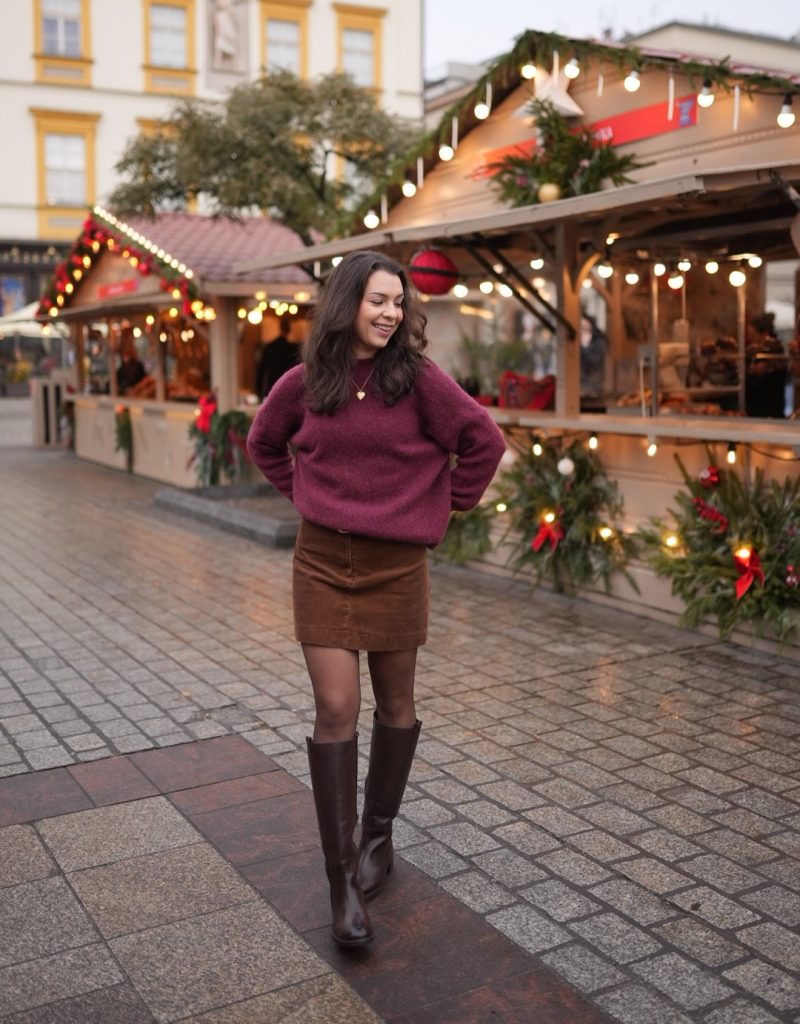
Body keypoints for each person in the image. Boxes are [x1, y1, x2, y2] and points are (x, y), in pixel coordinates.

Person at [246, 251, 505, 948]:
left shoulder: (417, 381)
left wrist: (438, 507)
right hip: (323, 563)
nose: (391, 313)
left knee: (397, 706)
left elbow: (483, 440)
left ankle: (377, 839)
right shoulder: (306, 383)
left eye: (399, 302)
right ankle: (340, 884)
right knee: (335, 707)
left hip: (397, 568)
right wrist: (304, 495)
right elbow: (264, 443)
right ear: (346, 304)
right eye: (378, 301)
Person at [256, 318, 299, 400]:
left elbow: (261, 369)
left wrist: (258, 390)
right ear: (289, 330)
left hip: (272, 386)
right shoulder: (291, 349)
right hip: (287, 387)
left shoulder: (271, 347)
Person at [579, 313, 606, 398]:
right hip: (580, 385)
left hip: (594, 385)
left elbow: (597, 360)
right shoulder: (576, 340)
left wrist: (583, 349)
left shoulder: (598, 341)